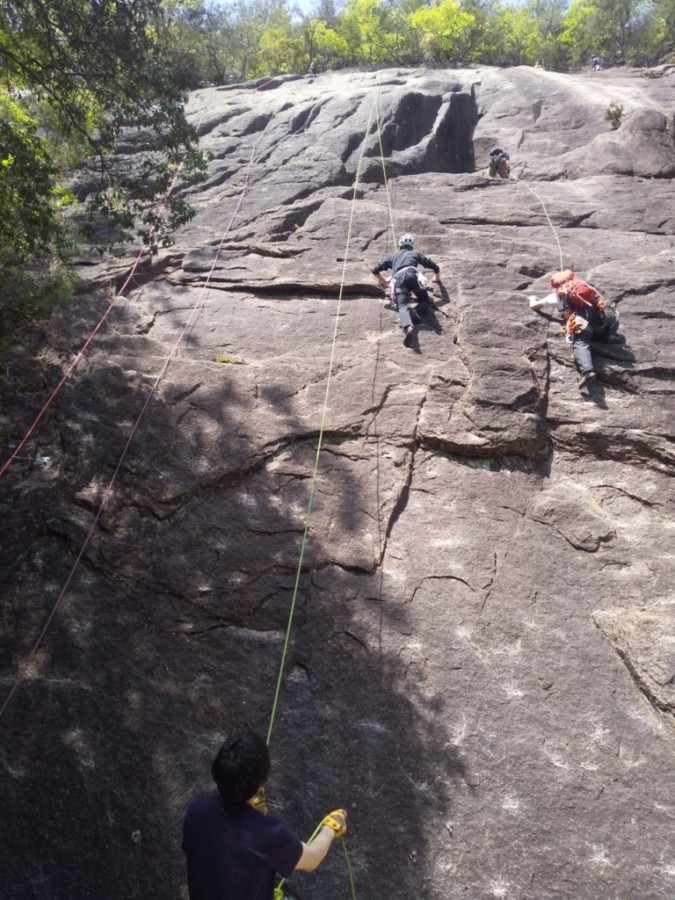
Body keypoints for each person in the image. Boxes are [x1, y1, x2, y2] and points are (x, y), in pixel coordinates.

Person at [182, 732, 347, 900]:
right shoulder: (271, 834)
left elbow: (226, 856)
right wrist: (330, 828)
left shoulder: (197, 811)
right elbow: (312, 859)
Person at [529, 270, 623, 389]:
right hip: (597, 312)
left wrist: (532, 298)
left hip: (581, 319)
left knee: (581, 342)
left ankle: (587, 371)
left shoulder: (558, 295)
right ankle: (610, 334)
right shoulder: (582, 285)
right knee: (610, 313)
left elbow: (534, 306)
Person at [371, 233, 442, 347]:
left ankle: (408, 327)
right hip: (414, 277)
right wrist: (437, 277)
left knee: (402, 306)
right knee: (425, 301)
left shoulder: (393, 257)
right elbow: (434, 266)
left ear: (400, 245)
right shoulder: (415, 254)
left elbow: (375, 270)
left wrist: (384, 281)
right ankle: (414, 312)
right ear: (412, 245)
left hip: (400, 280)